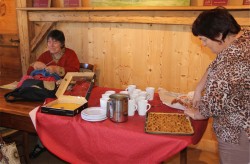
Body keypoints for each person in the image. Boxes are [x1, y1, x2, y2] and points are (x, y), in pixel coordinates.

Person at [184, 7, 249, 164]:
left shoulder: (230, 64)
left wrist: (199, 113)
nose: (203, 45)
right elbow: (217, 62)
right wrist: (200, 87)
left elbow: (215, 103)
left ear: (220, 35)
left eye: (204, 39)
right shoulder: (243, 38)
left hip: (237, 131)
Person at [28, 29, 80, 159]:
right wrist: (35, 65)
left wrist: (58, 69)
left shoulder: (70, 54)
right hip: (48, 91)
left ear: (62, 43)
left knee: (56, 112)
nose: (51, 45)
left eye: (55, 42)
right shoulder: (45, 55)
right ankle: (43, 142)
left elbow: (76, 72)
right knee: (40, 110)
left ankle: (63, 145)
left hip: (66, 91)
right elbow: (29, 72)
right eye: (49, 42)